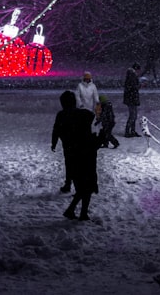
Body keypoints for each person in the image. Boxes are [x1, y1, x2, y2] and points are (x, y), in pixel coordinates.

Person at [51, 90, 99, 221]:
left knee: (81, 185)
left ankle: (74, 209)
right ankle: (80, 212)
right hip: (85, 154)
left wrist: (54, 143)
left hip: (72, 152)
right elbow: (92, 116)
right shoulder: (83, 114)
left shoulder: (62, 116)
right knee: (87, 186)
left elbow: (56, 130)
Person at [123, 63, 141, 137]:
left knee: (133, 115)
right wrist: (139, 85)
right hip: (132, 98)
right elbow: (133, 87)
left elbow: (131, 87)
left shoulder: (131, 75)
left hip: (131, 98)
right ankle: (128, 132)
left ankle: (131, 131)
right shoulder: (132, 76)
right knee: (133, 116)